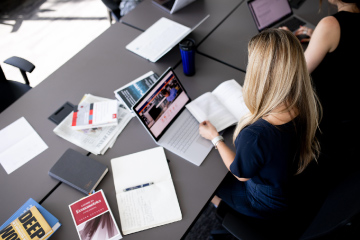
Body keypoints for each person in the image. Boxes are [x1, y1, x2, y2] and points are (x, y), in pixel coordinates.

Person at [199, 29, 321, 219]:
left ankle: (222, 210)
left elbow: (241, 175)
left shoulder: (255, 136)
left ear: (259, 74)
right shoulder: (304, 103)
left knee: (206, 181)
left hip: (266, 202)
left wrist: (215, 138)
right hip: (291, 185)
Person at [282, 0, 360, 183]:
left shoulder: (330, 24)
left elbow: (296, 75)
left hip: (331, 119)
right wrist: (317, 36)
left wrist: (288, 41)